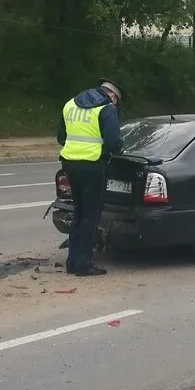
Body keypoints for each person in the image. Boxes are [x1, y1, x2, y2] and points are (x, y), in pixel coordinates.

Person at [57, 78, 124, 276]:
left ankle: (73, 262)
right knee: (90, 215)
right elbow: (113, 143)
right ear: (112, 96)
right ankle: (84, 264)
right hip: (93, 165)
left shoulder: (70, 104)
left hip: (69, 163)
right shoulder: (106, 108)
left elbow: (61, 137)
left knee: (78, 212)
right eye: (116, 101)